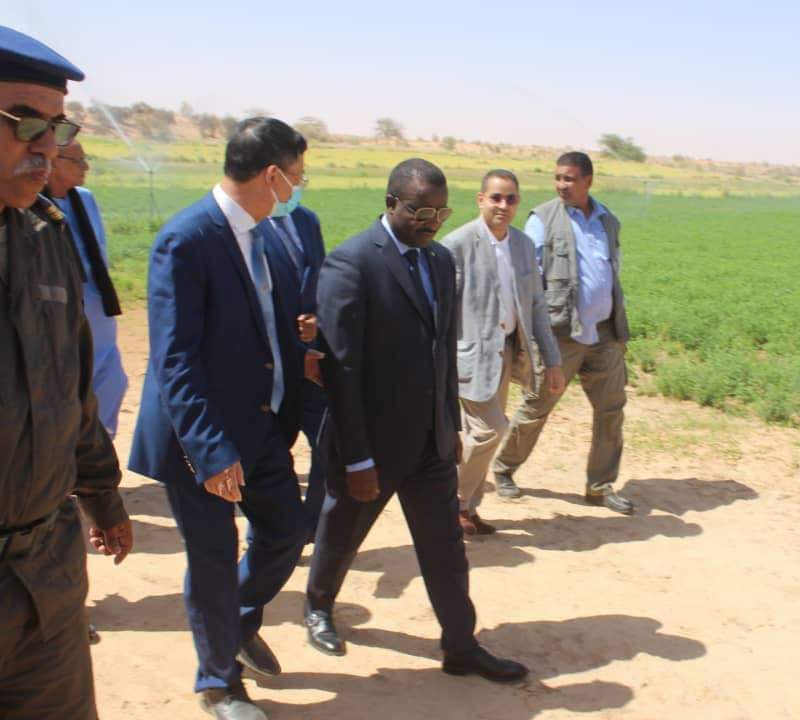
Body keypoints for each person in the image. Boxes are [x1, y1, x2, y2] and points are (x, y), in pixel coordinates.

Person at [305, 158, 528, 682]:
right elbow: (342, 370)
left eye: (439, 213)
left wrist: (449, 424)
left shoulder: (439, 261)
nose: (431, 222)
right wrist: (357, 457)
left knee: (445, 549)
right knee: (342, 531)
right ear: (391, 204)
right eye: (420, 212)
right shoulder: (352, 263)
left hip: (430, 442)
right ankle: (318, 606)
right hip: (371, 444)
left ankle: (460, 646)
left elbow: (441, 351)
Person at [128, 117, 313, 720]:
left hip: (259, 425)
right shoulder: (187, 239)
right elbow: (174, 359)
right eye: (297, 176)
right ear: (272, 175)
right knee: (213, 554)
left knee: (287, 532)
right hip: (197, 436)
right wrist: (210, 452)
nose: (299, 187)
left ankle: (232, 622)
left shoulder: (268, 237)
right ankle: (218, 683)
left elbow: (271, 331)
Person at [0, 25, 133, 720]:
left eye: (58, 128)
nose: (47, 148)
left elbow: (70, 388)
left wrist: (102, 493)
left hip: (45, 578)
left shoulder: (45, 236)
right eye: (26, 124)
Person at [492, 152, 634, 515]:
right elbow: (528, 279)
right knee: (537, 406)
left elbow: (612, 271)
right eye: (558, 178)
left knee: (611, 410)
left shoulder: (608, 221)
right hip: (560, 333)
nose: (561, 185)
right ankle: (504, 468)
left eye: (569, 178)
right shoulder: (542, 219)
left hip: (603, 332)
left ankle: (600, 486)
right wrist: (530, 337)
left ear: (588, 181)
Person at [442, 169, 564, 535]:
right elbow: (442, 310)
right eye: (495, 197)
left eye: (511, 198)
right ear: (480, 199)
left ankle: (467, 508)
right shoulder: (456, 245)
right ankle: (451, 502)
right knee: (490, 430)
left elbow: (537, 305)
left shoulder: (523, 245)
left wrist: (553, 360)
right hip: (469, 357)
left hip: (507, 353)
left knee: (479, 435)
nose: (503, 205)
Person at [45, 141, 127, 438]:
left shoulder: (86, 200)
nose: (86, 167)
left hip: (98, 317)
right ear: (53, 162)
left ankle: (98, 451)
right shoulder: (32, 205)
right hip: (62, 322)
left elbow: (98, 254)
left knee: (113, 383)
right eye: (77, 161)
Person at [256, 194, 328, 538]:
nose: (298, 185)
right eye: (294, 176)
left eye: (302, 178)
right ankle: (270, 533)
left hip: (311, 363)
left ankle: (311, 527)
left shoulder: (306, 219)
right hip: (269, 366)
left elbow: (319, 282)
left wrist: (318, 322)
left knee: (329, 443)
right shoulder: (245, 225)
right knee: (270, 454)